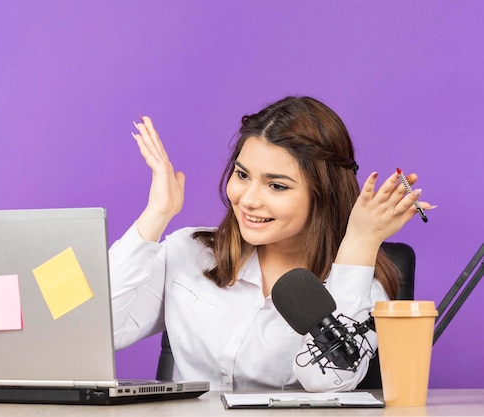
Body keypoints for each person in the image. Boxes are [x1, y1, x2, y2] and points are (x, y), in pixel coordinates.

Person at [108, 96, 435, 392]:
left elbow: (328, 380)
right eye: (242, 175)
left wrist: (360, 242)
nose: (248, 200)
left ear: (323, 194)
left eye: (277, 186)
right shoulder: (189, 253)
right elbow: (102, 331)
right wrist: (156, 215)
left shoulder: (360, 288)